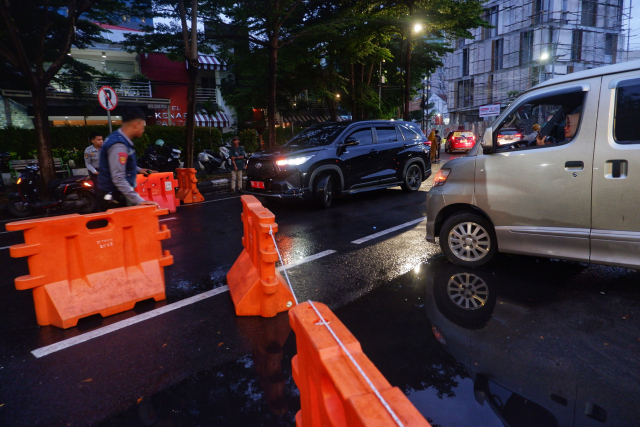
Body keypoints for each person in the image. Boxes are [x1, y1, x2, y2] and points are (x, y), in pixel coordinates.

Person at [98, 108, 157, 209]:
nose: (143, 130)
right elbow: (118, 178)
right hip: (114, 198)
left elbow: (122, 165)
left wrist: (139, 169)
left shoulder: (118, 139)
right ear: (136, 124)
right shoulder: (119, 145)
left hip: (114, 195)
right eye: (143, 126)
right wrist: (139, 201)